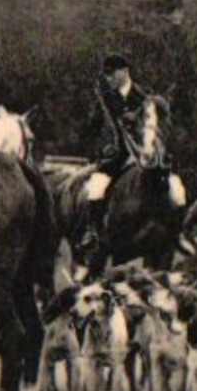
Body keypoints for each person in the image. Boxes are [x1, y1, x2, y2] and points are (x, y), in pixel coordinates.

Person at [80, 53, 146, 260]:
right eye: (106, 75)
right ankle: (92, 230)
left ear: (125, 72)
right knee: (97, 184)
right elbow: (94, 128)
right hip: (116, 156)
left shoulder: (143, 97)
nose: (108, 79)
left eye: (112, 74)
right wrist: (100, 150)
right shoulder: (105, 97)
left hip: (143, 154)